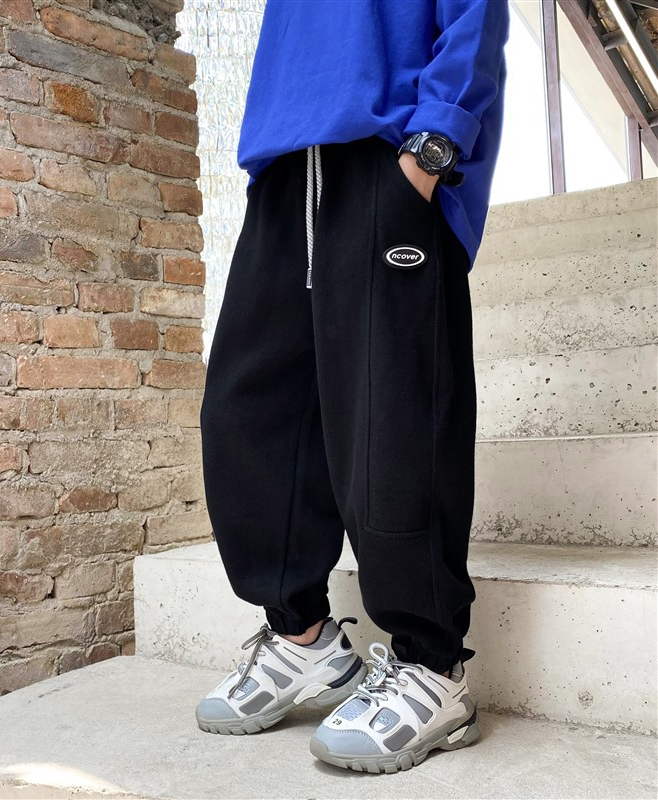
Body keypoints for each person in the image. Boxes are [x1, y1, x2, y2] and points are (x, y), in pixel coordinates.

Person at [196, 0, 510, 775]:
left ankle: (433, 665)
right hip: (285, 167)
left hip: (388, 155)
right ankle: (302, 637)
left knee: (394, 417)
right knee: (247, 410)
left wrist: (432, 148)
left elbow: (476, 18)